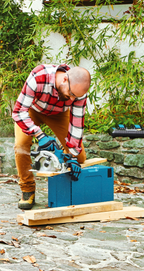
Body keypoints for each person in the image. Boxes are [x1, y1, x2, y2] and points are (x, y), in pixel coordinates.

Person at [11, 64, 91, 210]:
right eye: (70, 94)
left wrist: (72, 156)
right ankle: (27, 189)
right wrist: (40, 135)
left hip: (59, 114)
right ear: (65, 79)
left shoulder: (79, 92)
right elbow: (18, 112)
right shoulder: (39, 76)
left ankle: (66, 188)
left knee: (80, 158)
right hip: (32, 111)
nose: (72, 99)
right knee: (21, 145)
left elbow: (77, 124)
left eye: (75, 97)